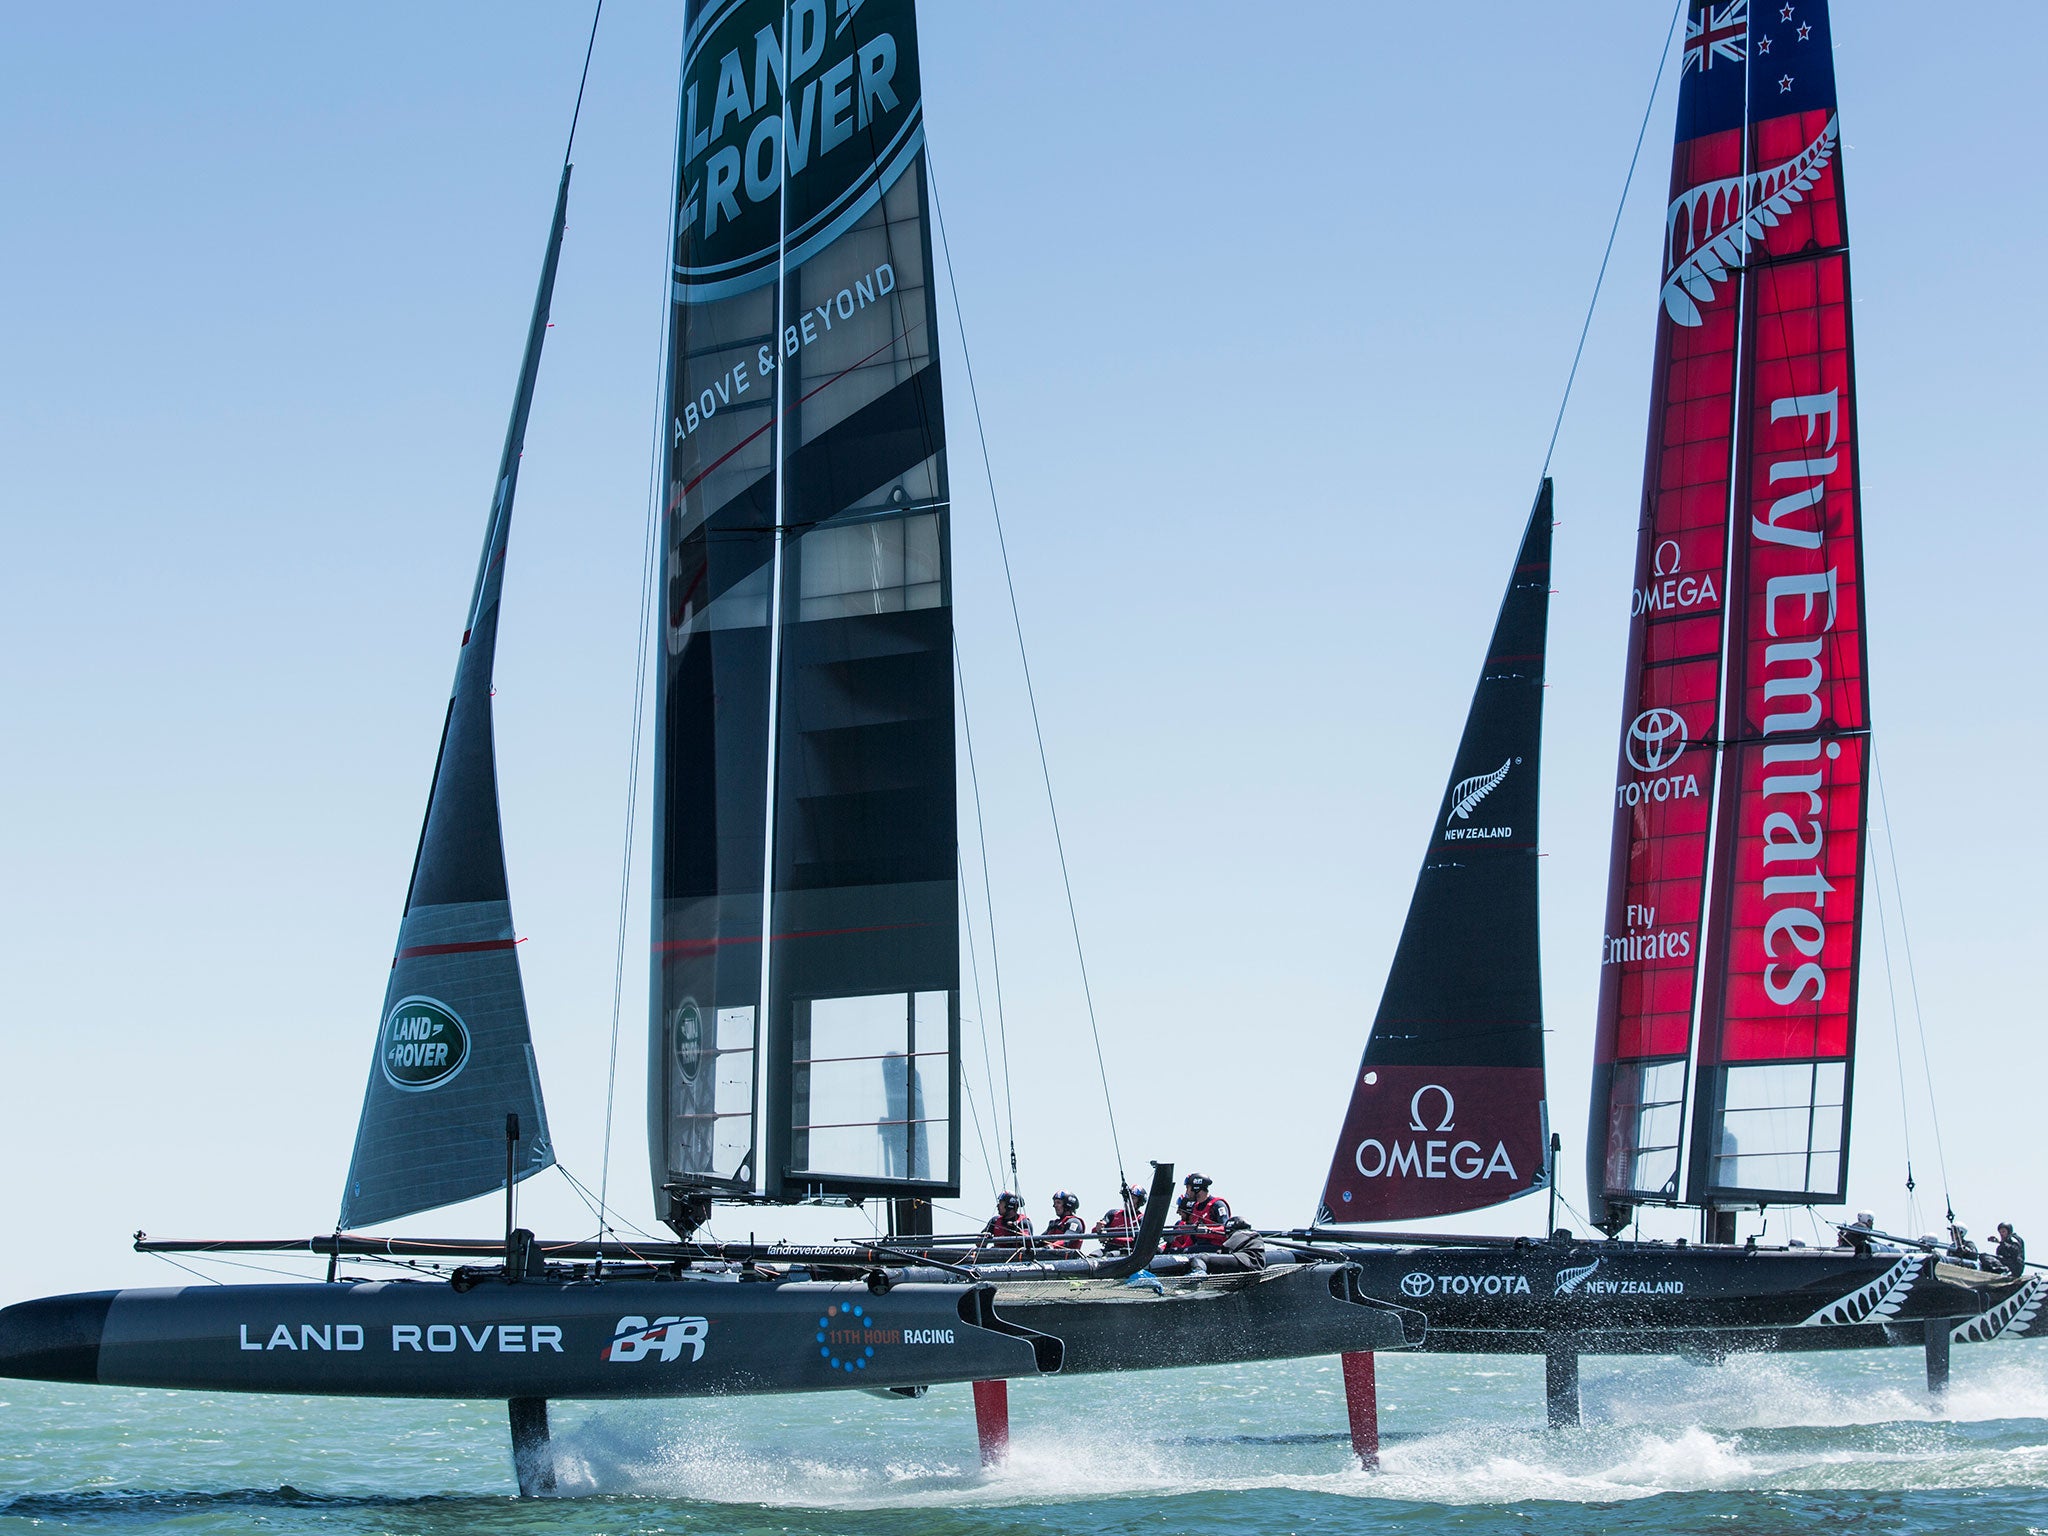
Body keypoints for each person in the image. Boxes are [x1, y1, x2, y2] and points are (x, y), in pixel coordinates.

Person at [1168, 1173, 1233, 1252]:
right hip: (1200, 1247)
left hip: (1216, 1248)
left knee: (1187, 1252)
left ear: (1196, 1188)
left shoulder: (1217, 1205)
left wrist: (1206, 1230)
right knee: (1174, 1252)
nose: (1186, 1192)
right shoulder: (1195, 1207)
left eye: (1188, 1188)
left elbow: (1226, 1229)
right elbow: (1193, 1236)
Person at [976, 1192, 1033, 1259]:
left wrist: (1016, 1230)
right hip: (996, 1259)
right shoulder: (995, 1221)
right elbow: (979, 1243)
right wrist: (984, 1238)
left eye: (1001, 1203)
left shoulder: (1023, 1222)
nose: (997, 1206)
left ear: (1009, 1205)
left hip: (1016, 1260)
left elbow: (1028, 1242)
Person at [1095, 1187, 1146, 1254]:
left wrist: (1111, 1238)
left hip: (1126, 1252)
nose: (1128, 1200)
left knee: (1110, 1256)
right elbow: (1095, 1230)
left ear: (1139, 1202)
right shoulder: (1112, 1214)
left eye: (1132, 1198)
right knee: (1092, 1257)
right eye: (1127, 1197)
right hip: (1108, 1248)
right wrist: (1099, 1228)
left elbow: (1136, 1240)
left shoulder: (1141, 1219)